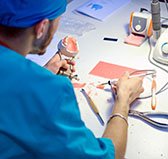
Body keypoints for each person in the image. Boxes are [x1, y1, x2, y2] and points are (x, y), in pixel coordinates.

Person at [0, 0, 144, 159]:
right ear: (41, 27)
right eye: (58, 21)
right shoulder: (49, 92)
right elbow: (108, 157)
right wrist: (123, 101)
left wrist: (39, 74)